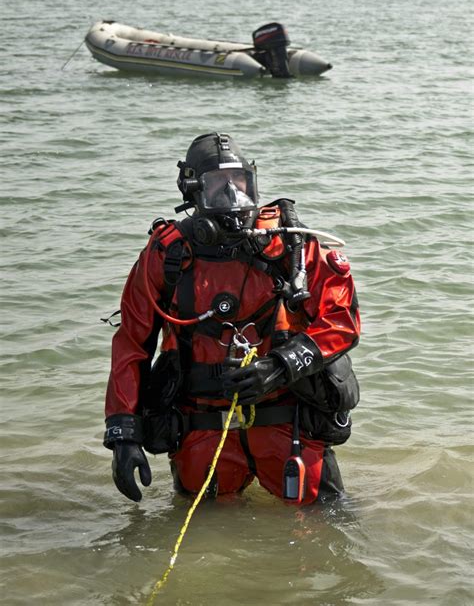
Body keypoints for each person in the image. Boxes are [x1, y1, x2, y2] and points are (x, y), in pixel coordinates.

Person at [103, 132, 361, 505]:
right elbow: (132, 344)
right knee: (204, 538)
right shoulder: (168, 254)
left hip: (287, 422)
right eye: (217, 187)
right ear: (192, 193)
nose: (232, 199)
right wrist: (123, 435)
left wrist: (283, 364)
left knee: (327, 525)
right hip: (201, 427)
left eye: (240, 184)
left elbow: (341, 320)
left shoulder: (290, 245)